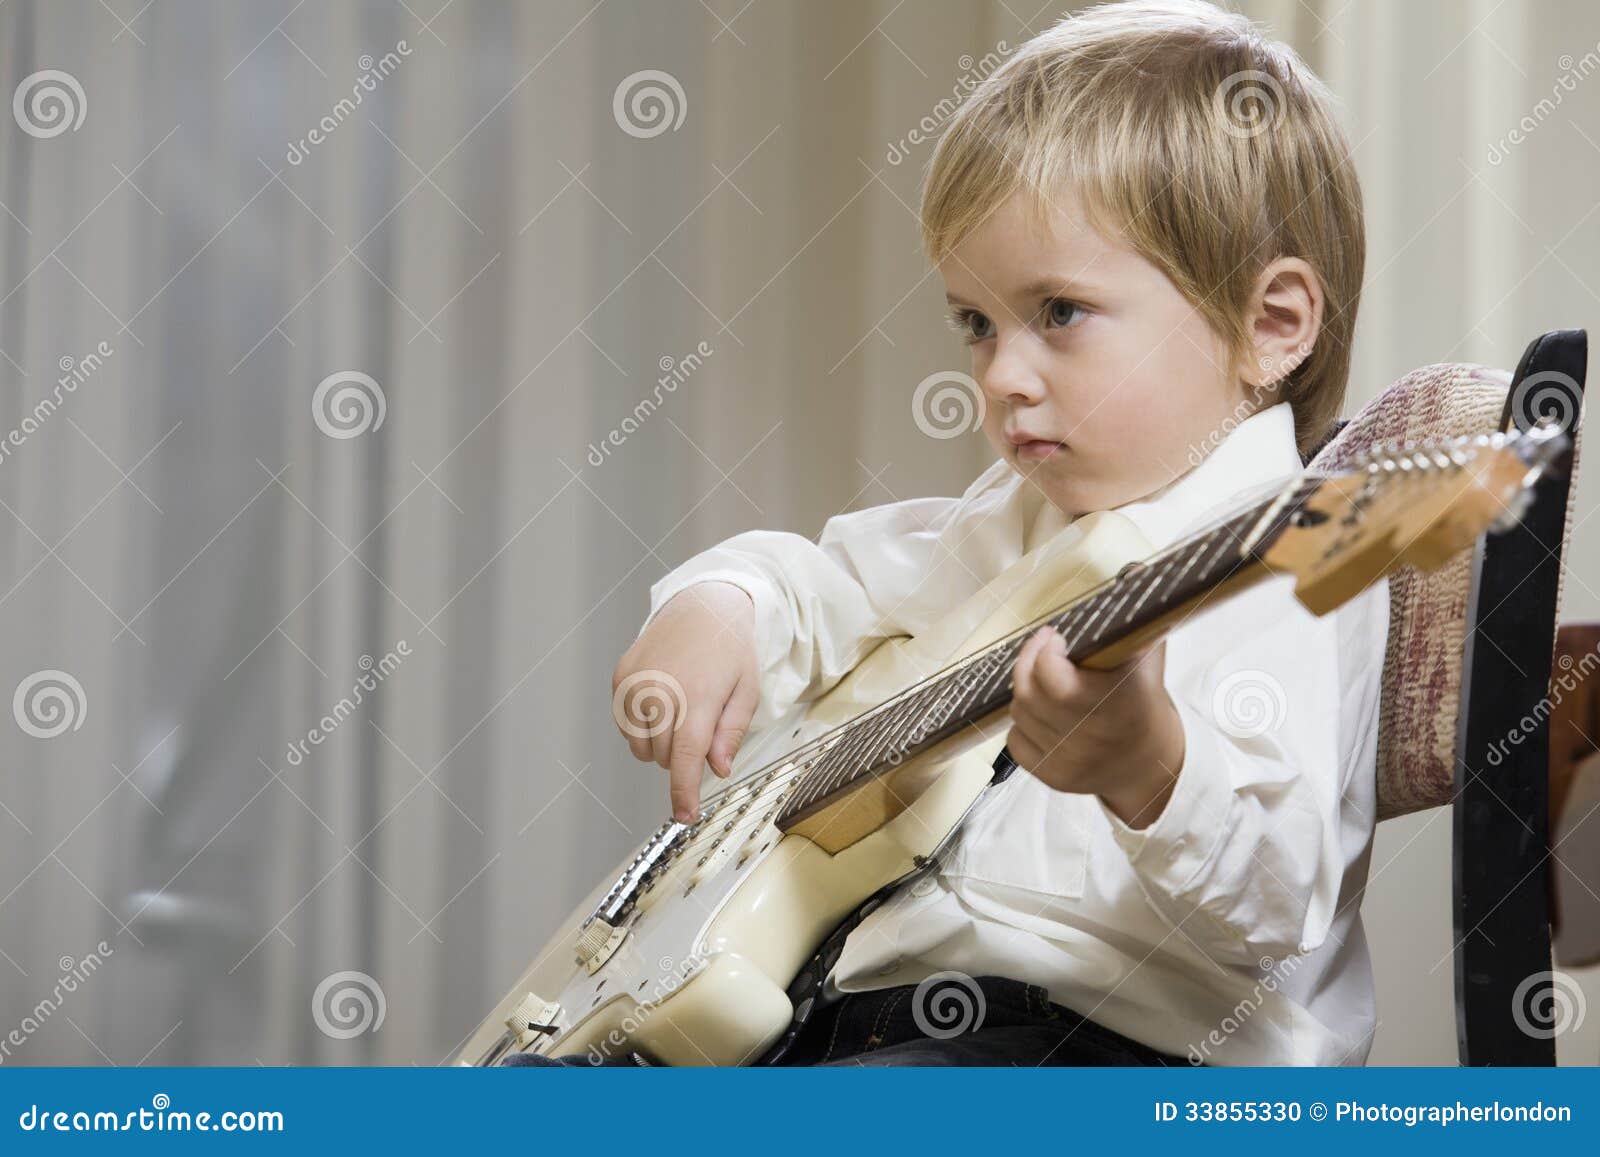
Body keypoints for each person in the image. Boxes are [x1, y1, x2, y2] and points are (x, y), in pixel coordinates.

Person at [513, 0, 1386, 1067]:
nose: (1000, 376)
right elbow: (819, 578)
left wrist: (1150, 766)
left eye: (1058, 311)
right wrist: (718, 605)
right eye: (976, 323)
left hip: (1110, 1053)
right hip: (855, 1020)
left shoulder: (1289, 559)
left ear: (1270, 325)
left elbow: (1278, 902)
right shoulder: (1002, 525)